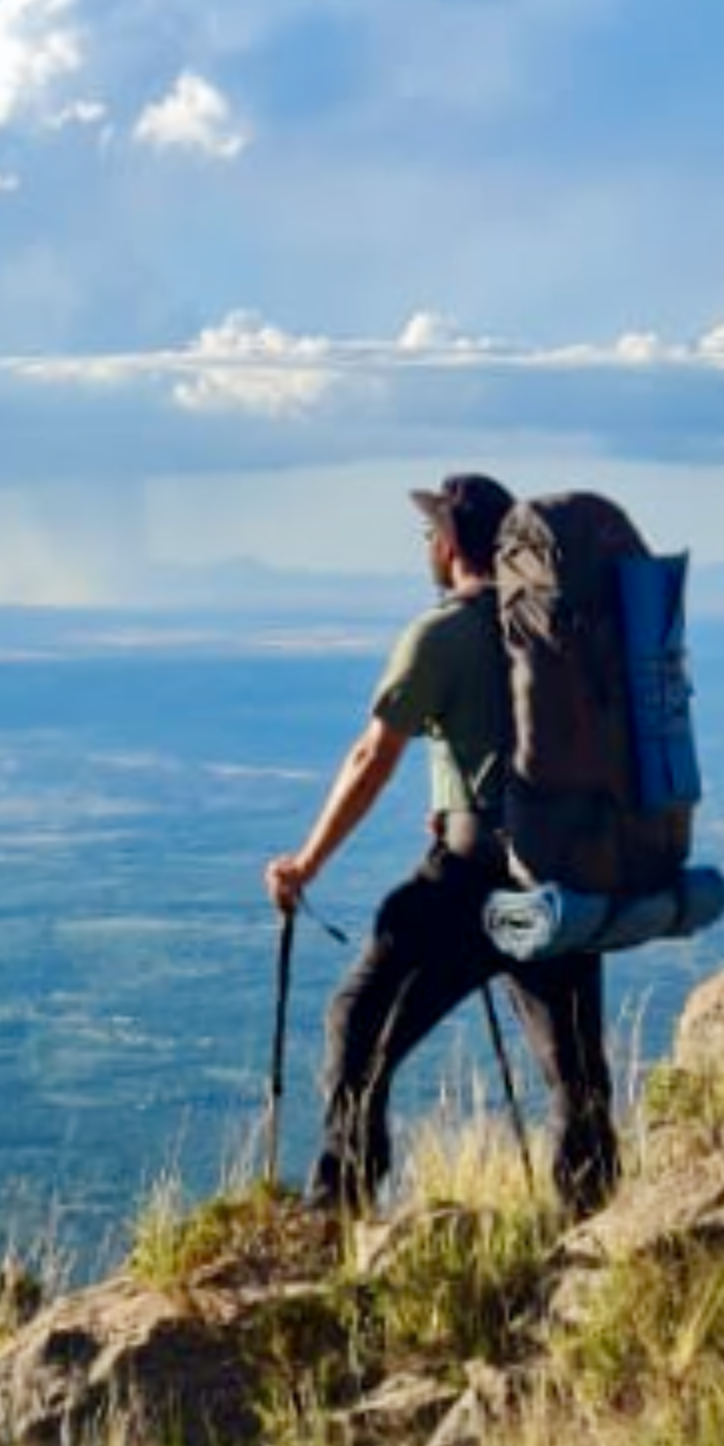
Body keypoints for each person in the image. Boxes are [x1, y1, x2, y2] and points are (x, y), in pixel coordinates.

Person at [264, 473, 620, 1218]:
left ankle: (340, 1208)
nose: (427, 543)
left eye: (432, 532)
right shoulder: (556, 631)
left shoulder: (442, 635)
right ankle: (596, 1220)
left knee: (359, 1021)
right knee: (574, 1071)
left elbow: (372, 755)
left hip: (473, 883)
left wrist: (306, 864)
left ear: (452, 545)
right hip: (556, 875)